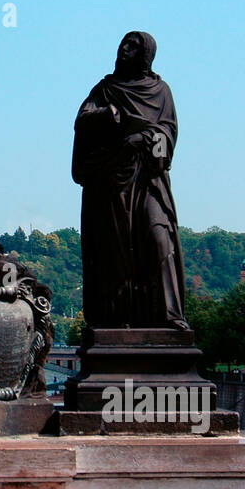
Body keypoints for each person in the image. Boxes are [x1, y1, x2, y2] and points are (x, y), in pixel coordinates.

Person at [72, 31, 188, 329]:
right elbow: (82, 121)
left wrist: (145, 138)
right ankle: (115, 322)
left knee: (158, 238)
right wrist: (107, 115)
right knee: (115, 253)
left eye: (133, 46)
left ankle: (169, 317)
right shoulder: (106, 88)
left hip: (148, 180)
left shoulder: (160, 91)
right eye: (123, 43)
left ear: (145, 55)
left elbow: (168, 137)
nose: (125, 48)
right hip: (111, 184)